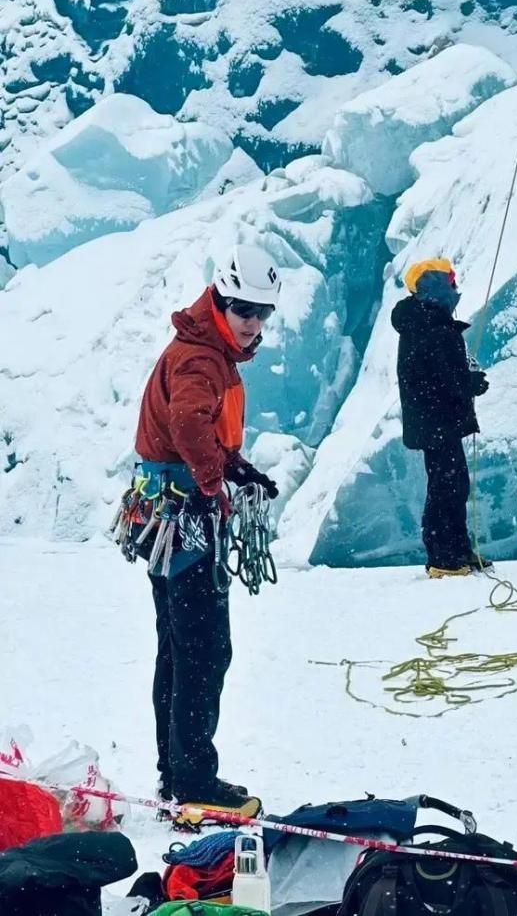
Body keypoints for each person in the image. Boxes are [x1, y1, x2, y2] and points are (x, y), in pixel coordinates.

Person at [133, 243, 281, 816]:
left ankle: (177, 771)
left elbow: (190, 428)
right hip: (185, 516)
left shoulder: (204, 347)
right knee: (203, 649)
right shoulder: (201, 358)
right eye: (244, 310)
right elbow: (188, 419)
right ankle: (193, 780)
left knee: (178, 644)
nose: (253, 324)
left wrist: (234, 466)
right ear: (220, 299)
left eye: (263, 313)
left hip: (163, 512)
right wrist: (216, 482)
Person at [391, 258, 490, 579]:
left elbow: (437, 376)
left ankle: (455, 551)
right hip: (438, 421)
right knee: (447, 487)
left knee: (450, 484)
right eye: (450, 283)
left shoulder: (421, 323)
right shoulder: (434, 327)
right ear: (435, 287)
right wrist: (474, 382)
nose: (455, 289)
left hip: (432, 420)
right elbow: (452, 381)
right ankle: (445, 558)